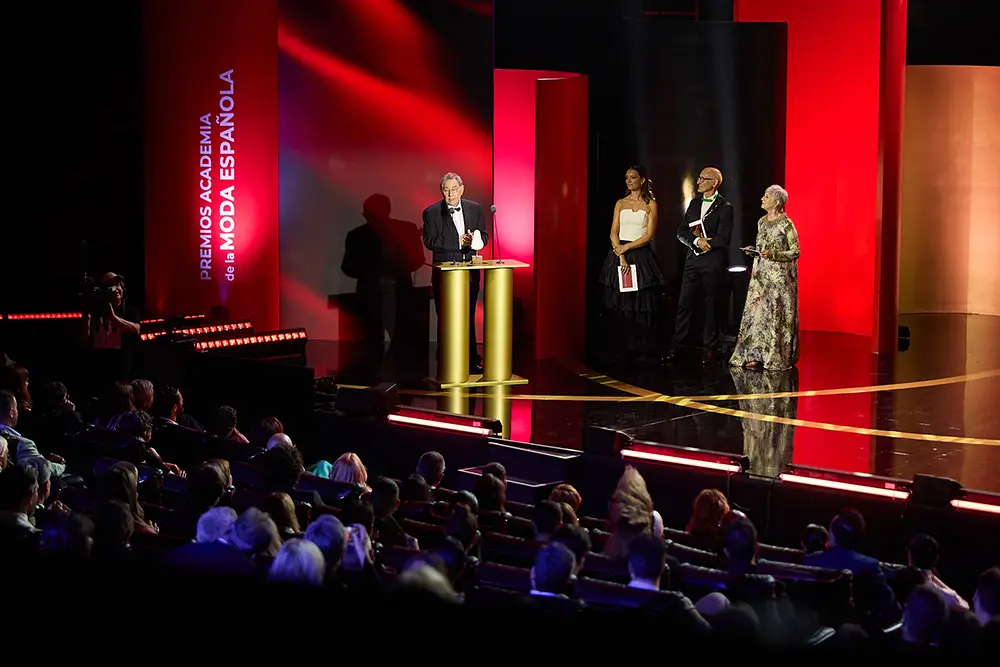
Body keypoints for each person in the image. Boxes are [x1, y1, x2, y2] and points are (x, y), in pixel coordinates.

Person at [422, 172, 490, 373]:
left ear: (461, 189)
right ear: (441, 191)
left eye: (454, 189)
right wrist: (457, 242)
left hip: (469, 273)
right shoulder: (431, 212)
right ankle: (447, 362)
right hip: (446, 275)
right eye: (446, 190)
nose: (450, 194)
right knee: (447, 318)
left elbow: (483, 235)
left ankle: (471, 361)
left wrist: (476, 241)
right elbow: (429, 241)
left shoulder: (475, 209)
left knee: (468, 316)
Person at [664, 167, 733, 365]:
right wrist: (696, 242)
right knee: (684, 302)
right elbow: (681, 231)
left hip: (712, 261)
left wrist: (707, 243)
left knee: (710, 304)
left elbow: (723, 238)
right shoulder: (694, 203)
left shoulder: (725, 207)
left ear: (714, 182)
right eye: (699, 178)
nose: (698, 182)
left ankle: (710, 348)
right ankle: (677, 345)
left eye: (703, 179)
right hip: (693, 259)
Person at [598, 165, 665, 358]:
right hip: (619, 255)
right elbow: (613, 232)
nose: (628, 180)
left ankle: (640, 347)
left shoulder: (651, 204)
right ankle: (620, 346)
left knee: (640, 301)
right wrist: (621, 255)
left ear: (642, 180)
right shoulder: (620, 203)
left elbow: (649, 235)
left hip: (640, 255)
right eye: (626, 177)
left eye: (633, 177)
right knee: (620, 300)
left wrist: (627, 248)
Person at [729, 185, 800, 370]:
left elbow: (795, 251)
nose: (762, 199)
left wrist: (774, 254)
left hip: (778, 279)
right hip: (761, 276)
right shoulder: (761, 221)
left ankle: (774, 356)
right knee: (758, 315)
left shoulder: (786, 224)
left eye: (766, 196)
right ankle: (755, 355)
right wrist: (754, 251)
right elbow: (762, 248)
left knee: (775, 315)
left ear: (776, 202)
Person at [82, 272, 142, 383]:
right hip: (97, 374)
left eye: (118, 285)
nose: (116, 289)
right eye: (111, 286)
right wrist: (86, 317)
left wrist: (112, 318)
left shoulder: (130, 311)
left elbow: (136, 330)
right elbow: (84, 341)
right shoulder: (93, 311)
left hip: (122, 376)